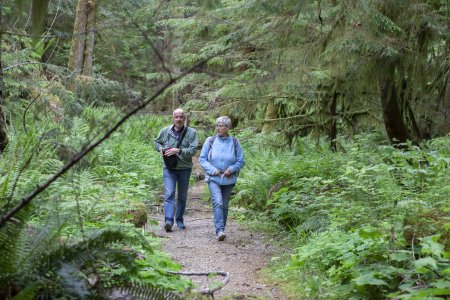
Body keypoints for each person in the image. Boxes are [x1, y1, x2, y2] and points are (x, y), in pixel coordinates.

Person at [199, 116, 245, 241]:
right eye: (217, 125)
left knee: (224, 205)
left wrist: (232, 169)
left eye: (221, 125)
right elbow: (202, 159)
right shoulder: (210, 141)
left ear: (228, 128)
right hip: (213, 178)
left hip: (229, 179)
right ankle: (219, 230)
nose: (218, 128)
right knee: (218, 202)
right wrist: (213, 170)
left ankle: (222, 228)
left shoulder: (235, 142)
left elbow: (241, 161)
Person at [154, 108, 198, 232]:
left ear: (184, 118)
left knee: (182, 196)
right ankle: (168, 221)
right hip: (169, 168)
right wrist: (161, 148)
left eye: (181, 117)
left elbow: (194, 149)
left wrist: (179, 151)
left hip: (185, 168)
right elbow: (156, 143)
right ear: (173, 118)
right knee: (169, 194)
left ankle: (179, 220)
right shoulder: (165, 131)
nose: (178, 119)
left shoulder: (191, 132)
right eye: (176, 117)